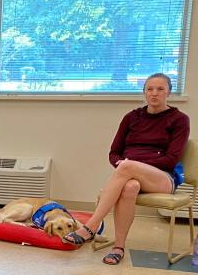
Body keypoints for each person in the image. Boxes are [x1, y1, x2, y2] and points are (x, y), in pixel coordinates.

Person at [63, 72, 190, 264]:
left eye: (160, 89)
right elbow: (114, 153)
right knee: (130, 187)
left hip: (163, 179)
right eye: (150, 89)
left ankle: (91, 226)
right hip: (130, 174)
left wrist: (132, 165)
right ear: (144, 92)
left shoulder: (179, 119)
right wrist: (125, 166)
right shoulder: (132, 117)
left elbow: (170, 160)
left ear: (169, 93)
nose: (154, 93)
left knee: (128, 166)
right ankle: (118, 247)